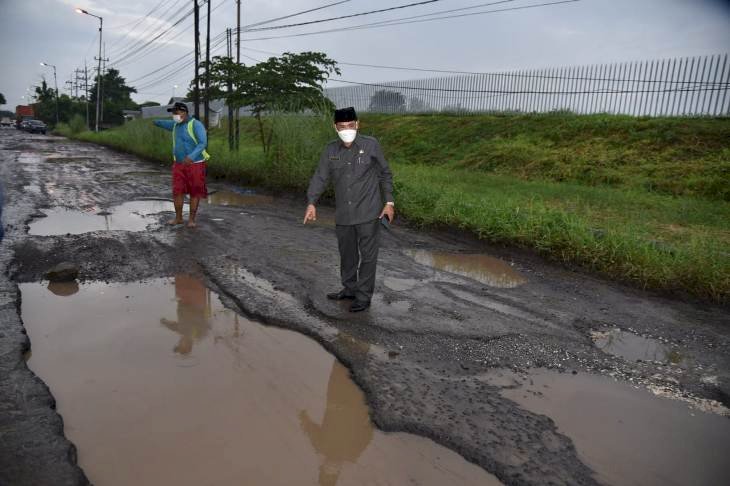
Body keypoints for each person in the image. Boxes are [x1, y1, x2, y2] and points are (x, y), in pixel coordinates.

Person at [304, 107, 394, 312]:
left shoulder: (371, 145)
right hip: (344, 214)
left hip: (369, 213)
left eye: (350, 125)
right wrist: (311, 202)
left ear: (357, 125)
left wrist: (389, 202)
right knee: (348, 255)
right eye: (342, 126)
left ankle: (363, 296)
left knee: (368, 257)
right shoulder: (330, 150)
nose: (347, 129)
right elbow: (320, 177)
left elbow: (385, 174)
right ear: (335, 127)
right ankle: (349, 289)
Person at [153, 102, 210, 228]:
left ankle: (191, 219)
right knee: (177, 191)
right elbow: (161, 123)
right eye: (173, 113)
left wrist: (191, 156)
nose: (174, 115)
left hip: (195, 164)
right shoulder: (175, 125)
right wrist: (154, 121)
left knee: (195, 192)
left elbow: (202, 143)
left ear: (184, 112)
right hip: (179, 165)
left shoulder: (195, 124)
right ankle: (178, 218)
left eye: (176, 113)